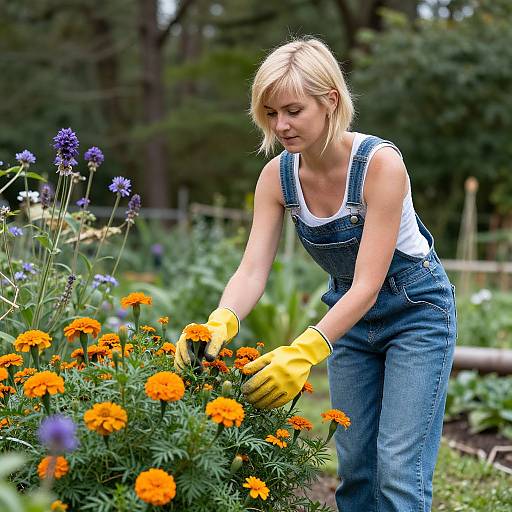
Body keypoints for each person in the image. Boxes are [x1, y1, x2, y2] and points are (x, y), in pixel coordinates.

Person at [175, 37, 457, 512]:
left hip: (417, 315)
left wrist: (304, 350)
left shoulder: (380, 166)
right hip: (347, 321)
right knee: (355, 473)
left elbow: (370, 283)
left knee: (396, 471)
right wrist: (219, 320)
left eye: (292, 110)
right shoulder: (277, 178)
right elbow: (251, 271)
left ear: (330, 101)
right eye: (270, 113)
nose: (280, 125)